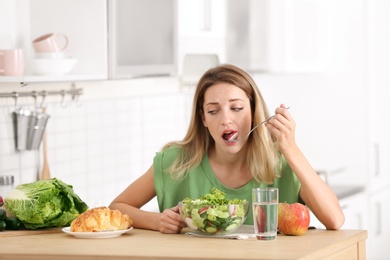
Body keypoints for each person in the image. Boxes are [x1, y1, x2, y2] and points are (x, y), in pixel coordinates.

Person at [109, 64, 345, 234]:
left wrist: (290, 148)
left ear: (254, 112)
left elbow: (335, 220)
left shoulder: (282, 162)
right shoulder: (175, 162)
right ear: (203, 118)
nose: (226, 120)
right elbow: (117, 208)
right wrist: (156, 221)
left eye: (237, 108)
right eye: (213, 111)